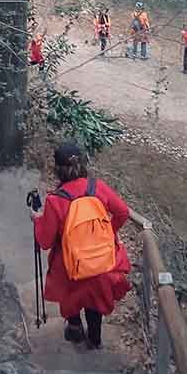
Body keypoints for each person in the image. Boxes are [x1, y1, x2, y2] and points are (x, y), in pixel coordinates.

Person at [31, 142, 132, 349]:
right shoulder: (98, 187)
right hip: (100, 261)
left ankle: (75, 328)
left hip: (71, 266)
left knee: (70, 290)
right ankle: (94, 340)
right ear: (83, 164)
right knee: (95, 298)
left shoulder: (55, 200)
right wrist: (107, 233)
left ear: (57, 169)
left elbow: (45, 242)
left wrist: (37, 220)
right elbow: (123, 212)